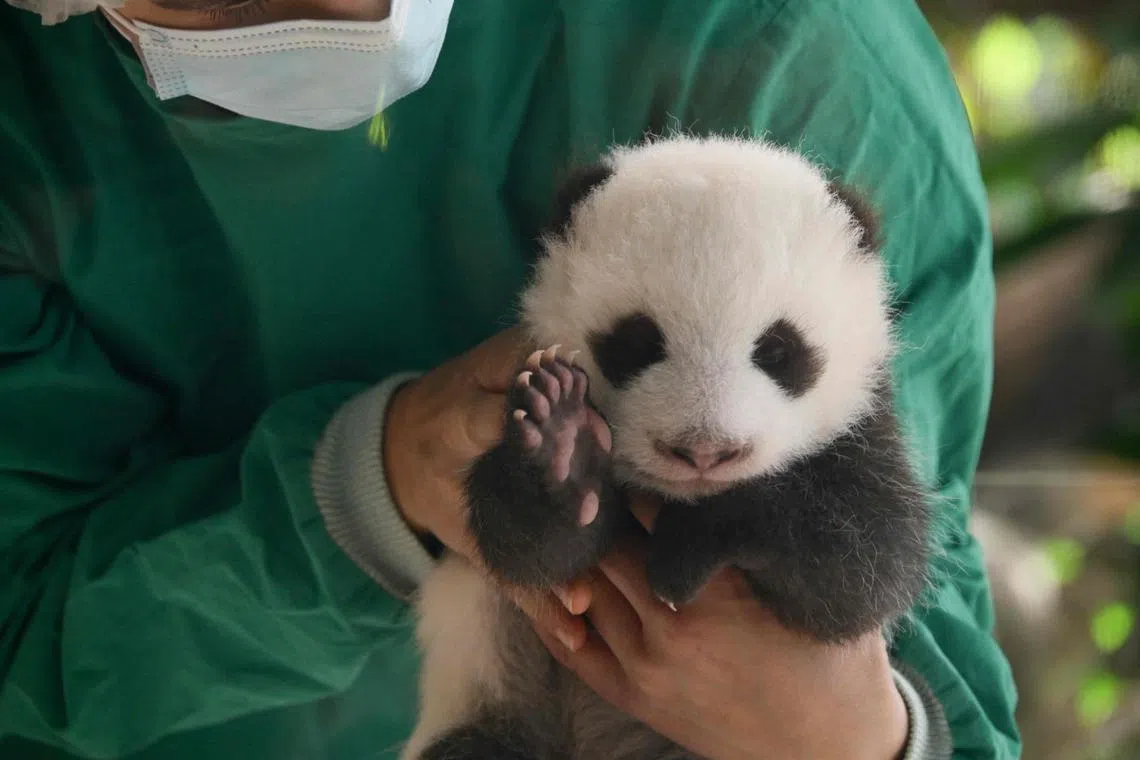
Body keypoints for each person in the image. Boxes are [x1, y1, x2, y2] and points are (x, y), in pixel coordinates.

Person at [0, 0, 1020, 758]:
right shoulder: (30, 98)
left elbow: (932, 673)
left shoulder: (777, 49)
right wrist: (382, 481)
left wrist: (856, 733)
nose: (709, 429)